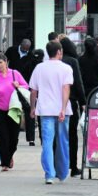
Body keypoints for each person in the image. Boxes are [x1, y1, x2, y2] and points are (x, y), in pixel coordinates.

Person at [29, 41, 73, 185]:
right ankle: (62, 172)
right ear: (59, 52)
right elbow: (66, 89)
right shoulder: (66, 68)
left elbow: (33, 90)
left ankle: (49, 173)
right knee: (63, 141)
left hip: (45, 109)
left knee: (47, 142)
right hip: (62, 110)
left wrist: (32, 107)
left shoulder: (39, 68)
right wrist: (63, 108)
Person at [59, 36, 86, 177]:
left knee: (57, 136)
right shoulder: (72, 61)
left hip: (55, 103)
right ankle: (73, 167)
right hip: (70, 102)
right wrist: (83, 102)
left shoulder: (56, 61)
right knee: (72, 136)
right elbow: (78, 83)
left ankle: (58, 166)